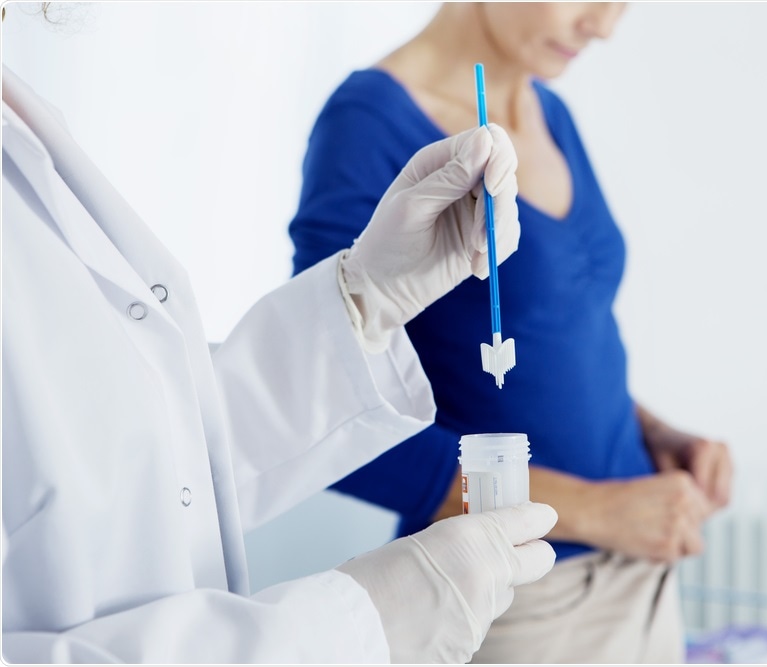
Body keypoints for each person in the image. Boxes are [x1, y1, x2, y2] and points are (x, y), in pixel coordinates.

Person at [0, 21, 560, 662]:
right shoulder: (370, 110)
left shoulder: (22, 124)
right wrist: (361, 623)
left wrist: (367, 299)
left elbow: (148, 463)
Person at [288, 2, 735, 663]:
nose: (603, 25)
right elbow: (326, 418)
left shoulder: (548, 112)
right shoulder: (368, 123)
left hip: (644, 574)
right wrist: (596, 509)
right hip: (521, 598)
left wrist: (648, 432)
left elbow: (556, 338)